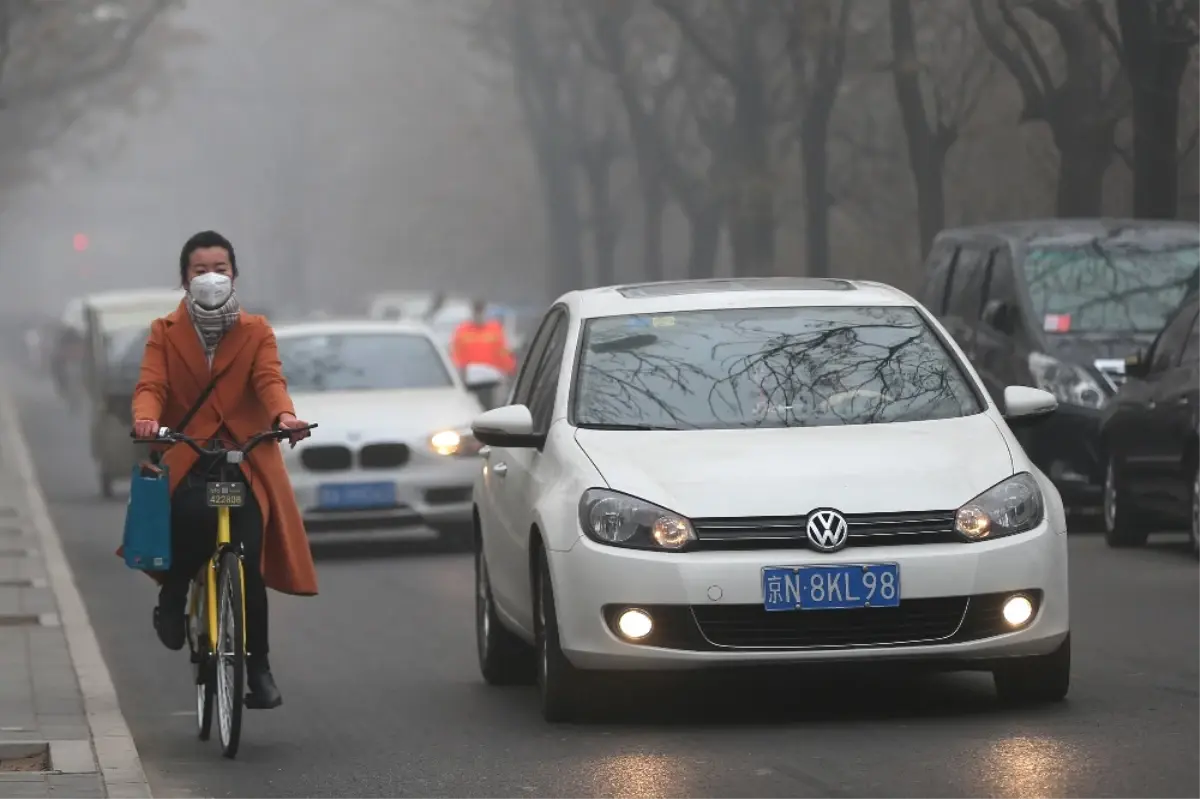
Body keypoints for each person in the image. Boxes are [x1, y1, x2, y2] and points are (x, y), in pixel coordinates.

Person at [127, 230, 317, 710]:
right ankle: (173, 595)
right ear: (184, 277)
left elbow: (269, 380)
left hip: (244, 458)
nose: (211, 277)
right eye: (199, 269)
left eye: (220, 268)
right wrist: (147, 419)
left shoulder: (256, 331)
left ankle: (259, 669)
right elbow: (150, 385)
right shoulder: (163, 332)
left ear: (234, 274)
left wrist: (285, 416)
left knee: (246, 562)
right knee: (190, 520)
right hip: (191, 454)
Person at [449, 298, 516, 375]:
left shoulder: (495, 330)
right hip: (468, 379)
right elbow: (456, 357)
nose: (478, 314)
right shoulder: (462, 331)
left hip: (493, 377)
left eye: (480, 311)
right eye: (476, 311)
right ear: (472, 312)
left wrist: (510, 369)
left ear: (485, 311)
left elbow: (503, 353)